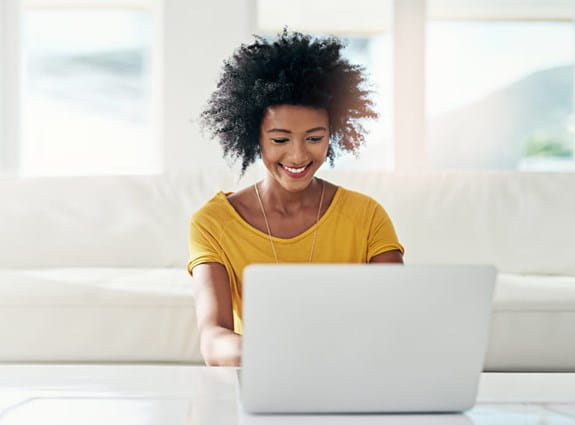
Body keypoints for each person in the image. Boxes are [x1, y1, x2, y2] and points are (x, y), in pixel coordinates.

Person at [187, 30, 404, 367]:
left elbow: (399, 324)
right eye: (280, 139)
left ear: (333, 135)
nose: (298, 155)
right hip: (264, 378)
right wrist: (283, 354)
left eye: (314, 138)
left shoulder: (368, 217)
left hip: (352, 377)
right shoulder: (214, 222)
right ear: (254, 137)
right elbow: (213, 337)